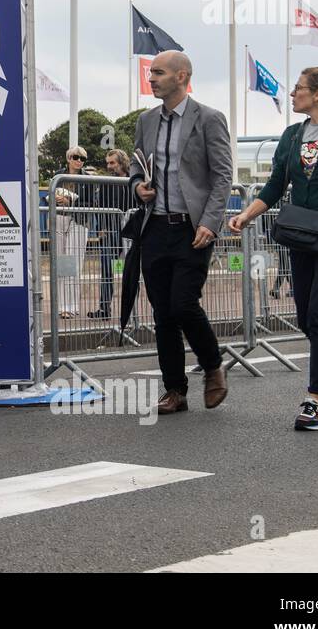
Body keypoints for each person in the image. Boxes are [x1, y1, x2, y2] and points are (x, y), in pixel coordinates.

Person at [228, 66, 318, 431]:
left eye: (299, 88)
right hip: (302, 234)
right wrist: (246, 214)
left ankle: (315, 401)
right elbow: (276, 184)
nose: (293, 94)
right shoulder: (293, 135)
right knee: (307, 317)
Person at [130, 51, 232, 415]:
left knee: (183, 304)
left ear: (181, 76)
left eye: (158, 72)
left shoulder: (209, 119)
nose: (151, 78)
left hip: (193, 229)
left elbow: (222, 176)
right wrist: (138, 184)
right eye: (151, 73)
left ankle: (212, 366)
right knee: (162, 314)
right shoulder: (146, 120)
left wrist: (210, 221)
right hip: (155, 227)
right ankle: (175, 389)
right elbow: (137, 161)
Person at [86, 149, 133, 320]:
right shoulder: (106, 182)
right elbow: (101, 207)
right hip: (111, 231)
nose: (109, 166)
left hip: (131, 232)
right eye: (108, 163)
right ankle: (104, 309)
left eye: (112, 162)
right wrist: (101, 228)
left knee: (132, 271)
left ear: (122, 162)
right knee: (107, 270)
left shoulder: (134, 180)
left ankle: (132, 312)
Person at [53, 146, 90, 319]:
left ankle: (72, 306)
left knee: (73, 264)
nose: (79, 161)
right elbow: (49, 195)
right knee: (61, 263)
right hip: (58, 219)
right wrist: (56, 198)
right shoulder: (58, 175)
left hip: (79, 222)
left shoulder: (87, 179)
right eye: (76, 157)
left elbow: (91, 203)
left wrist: (70, 201)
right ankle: (62, 306)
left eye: (82, 158)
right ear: (69, 158)